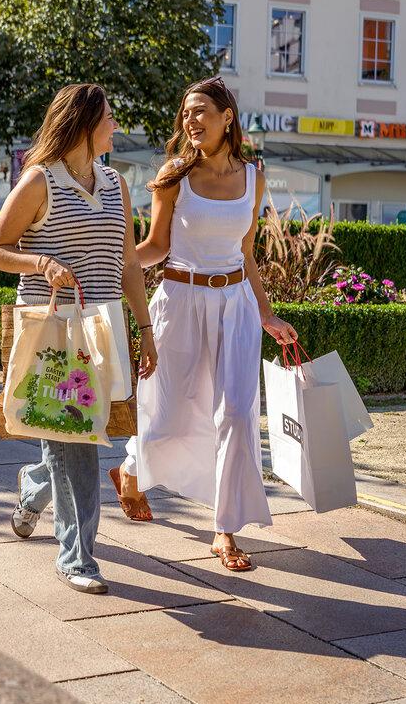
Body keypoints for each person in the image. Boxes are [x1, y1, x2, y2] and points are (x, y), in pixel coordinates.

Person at [115, 77, 298, 572]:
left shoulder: (254, 177)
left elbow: (246, 253)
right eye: (186, 113)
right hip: (179, 301)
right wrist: (116, 264)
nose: (190, 120)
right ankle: (131, 470)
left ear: (226, 117)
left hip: (236, 306)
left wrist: (266, 313)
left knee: (236, 414)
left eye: (199, 111)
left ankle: (225, 530)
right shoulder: (175, 175)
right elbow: (156, 246)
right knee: (169, 413)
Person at [0, 84, 157, 593]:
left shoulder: (115, 183)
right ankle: (76, 557)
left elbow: (129, 264)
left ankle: (34, 487)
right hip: (53, 330)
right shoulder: (40, 180)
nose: (115, 126)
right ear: (83, 124)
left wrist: (145, 329)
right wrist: (42, 262)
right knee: (78, 439)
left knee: (74, 430)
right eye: (108, 118)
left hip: (102, 328)